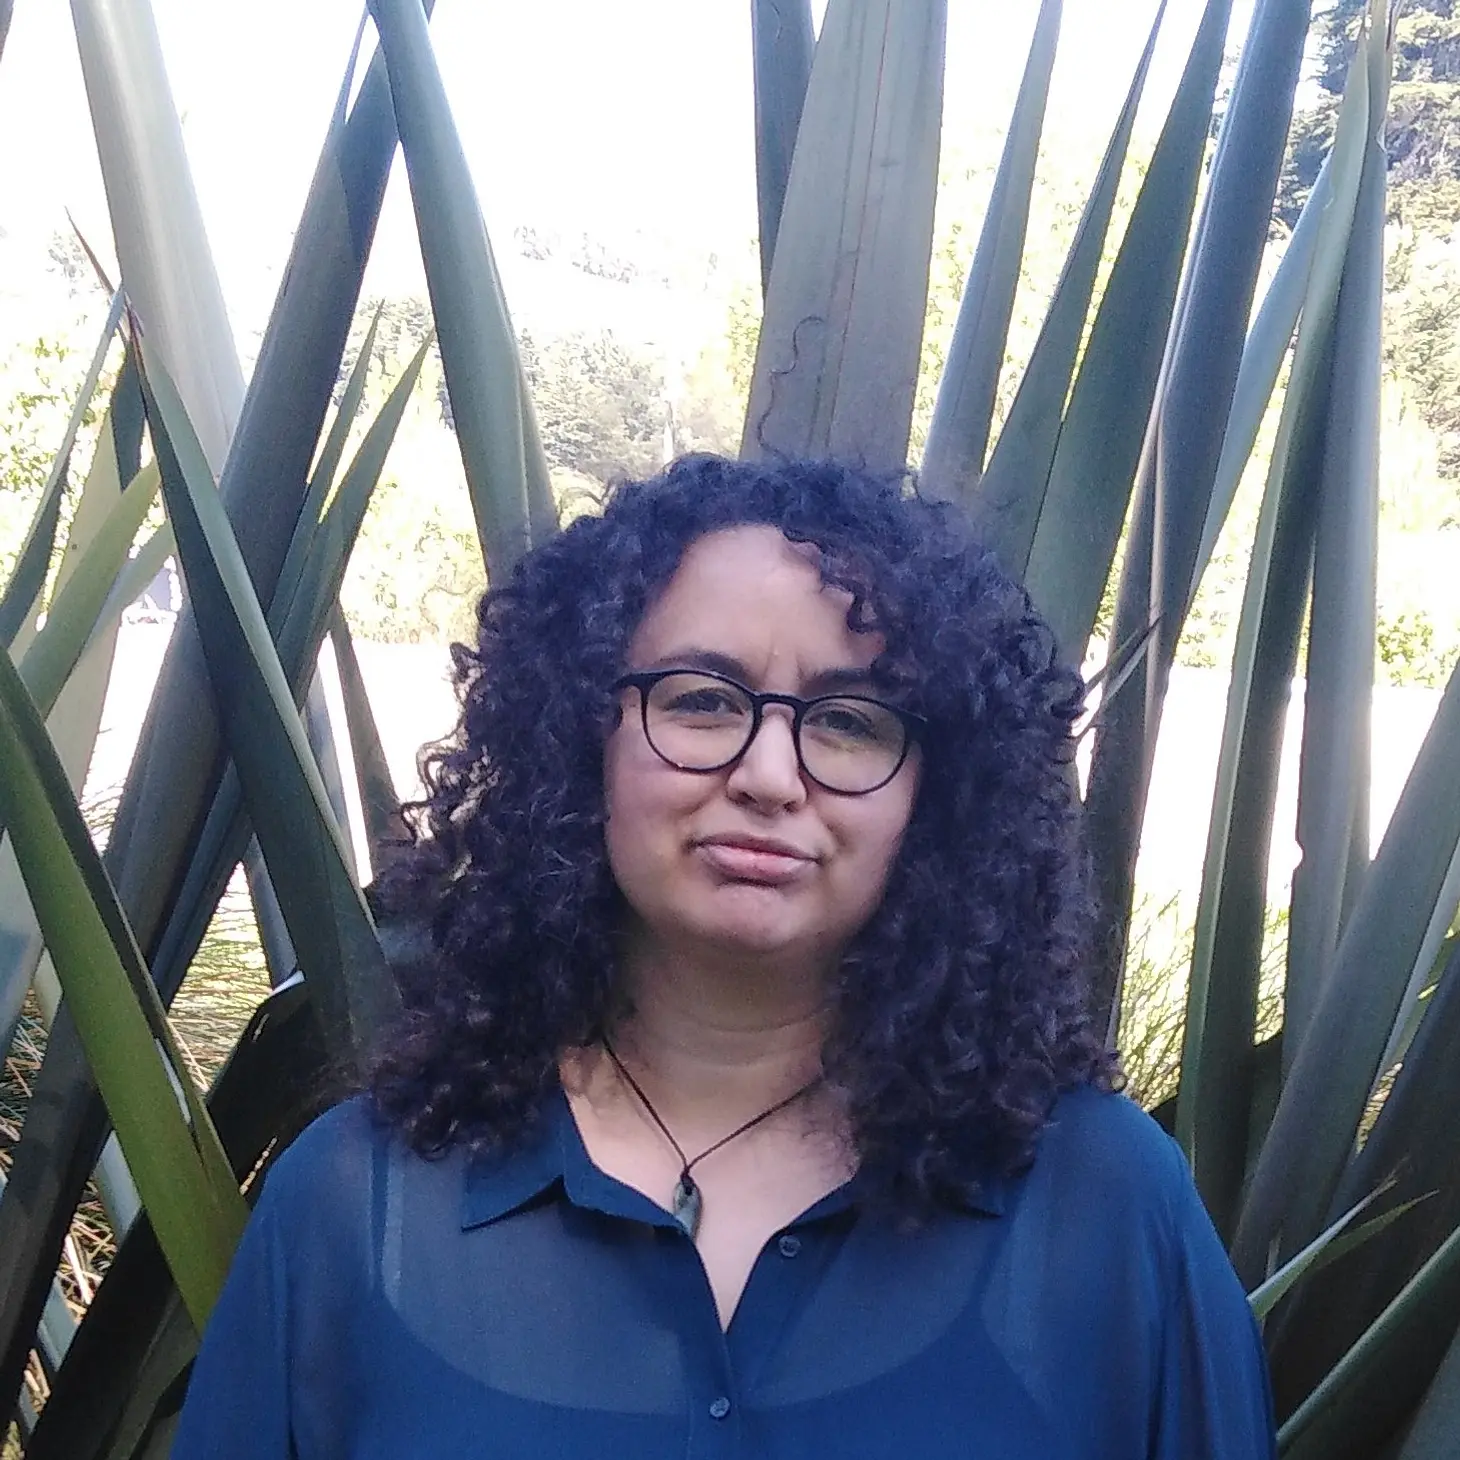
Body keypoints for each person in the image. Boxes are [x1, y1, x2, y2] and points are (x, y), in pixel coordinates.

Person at [172, 455, 1276, 1458]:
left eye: (849, 720)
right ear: (579, 738)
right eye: (702, 700)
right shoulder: (359, 1211)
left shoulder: (1102, 1208)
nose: (769, 774)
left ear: (937, 792)